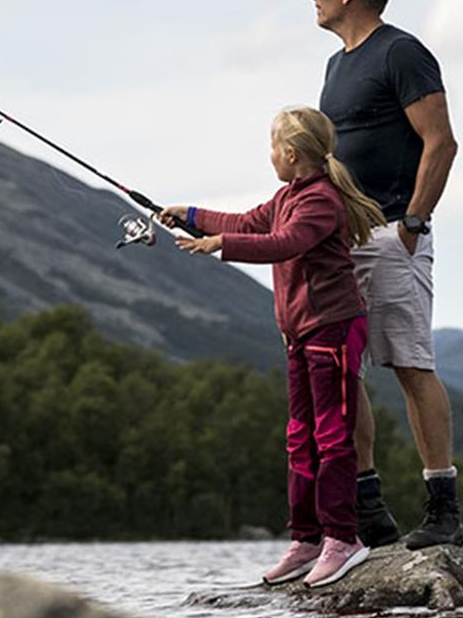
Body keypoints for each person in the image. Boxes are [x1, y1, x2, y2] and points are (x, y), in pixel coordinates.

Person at [162, 106, 388, 587]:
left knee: (330, 436)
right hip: (301, 334)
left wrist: (218, 244)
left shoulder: (320, 201)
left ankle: (343, 540)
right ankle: (307, 541)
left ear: (290, 153)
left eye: (272, 148)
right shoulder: (286, 196)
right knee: (299, 437)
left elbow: (284, 243)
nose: (270, 157)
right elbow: (249, 222)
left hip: (332, 330)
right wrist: (193, 216)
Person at [310, 0, 463, 550]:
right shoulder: (334, 67)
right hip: (339, 242)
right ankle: (370, 511)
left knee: (409, 365)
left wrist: (413, 225)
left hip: (393, 235)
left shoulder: (401, 52)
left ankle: (443, 511)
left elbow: (442, 142)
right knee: (343, 370)